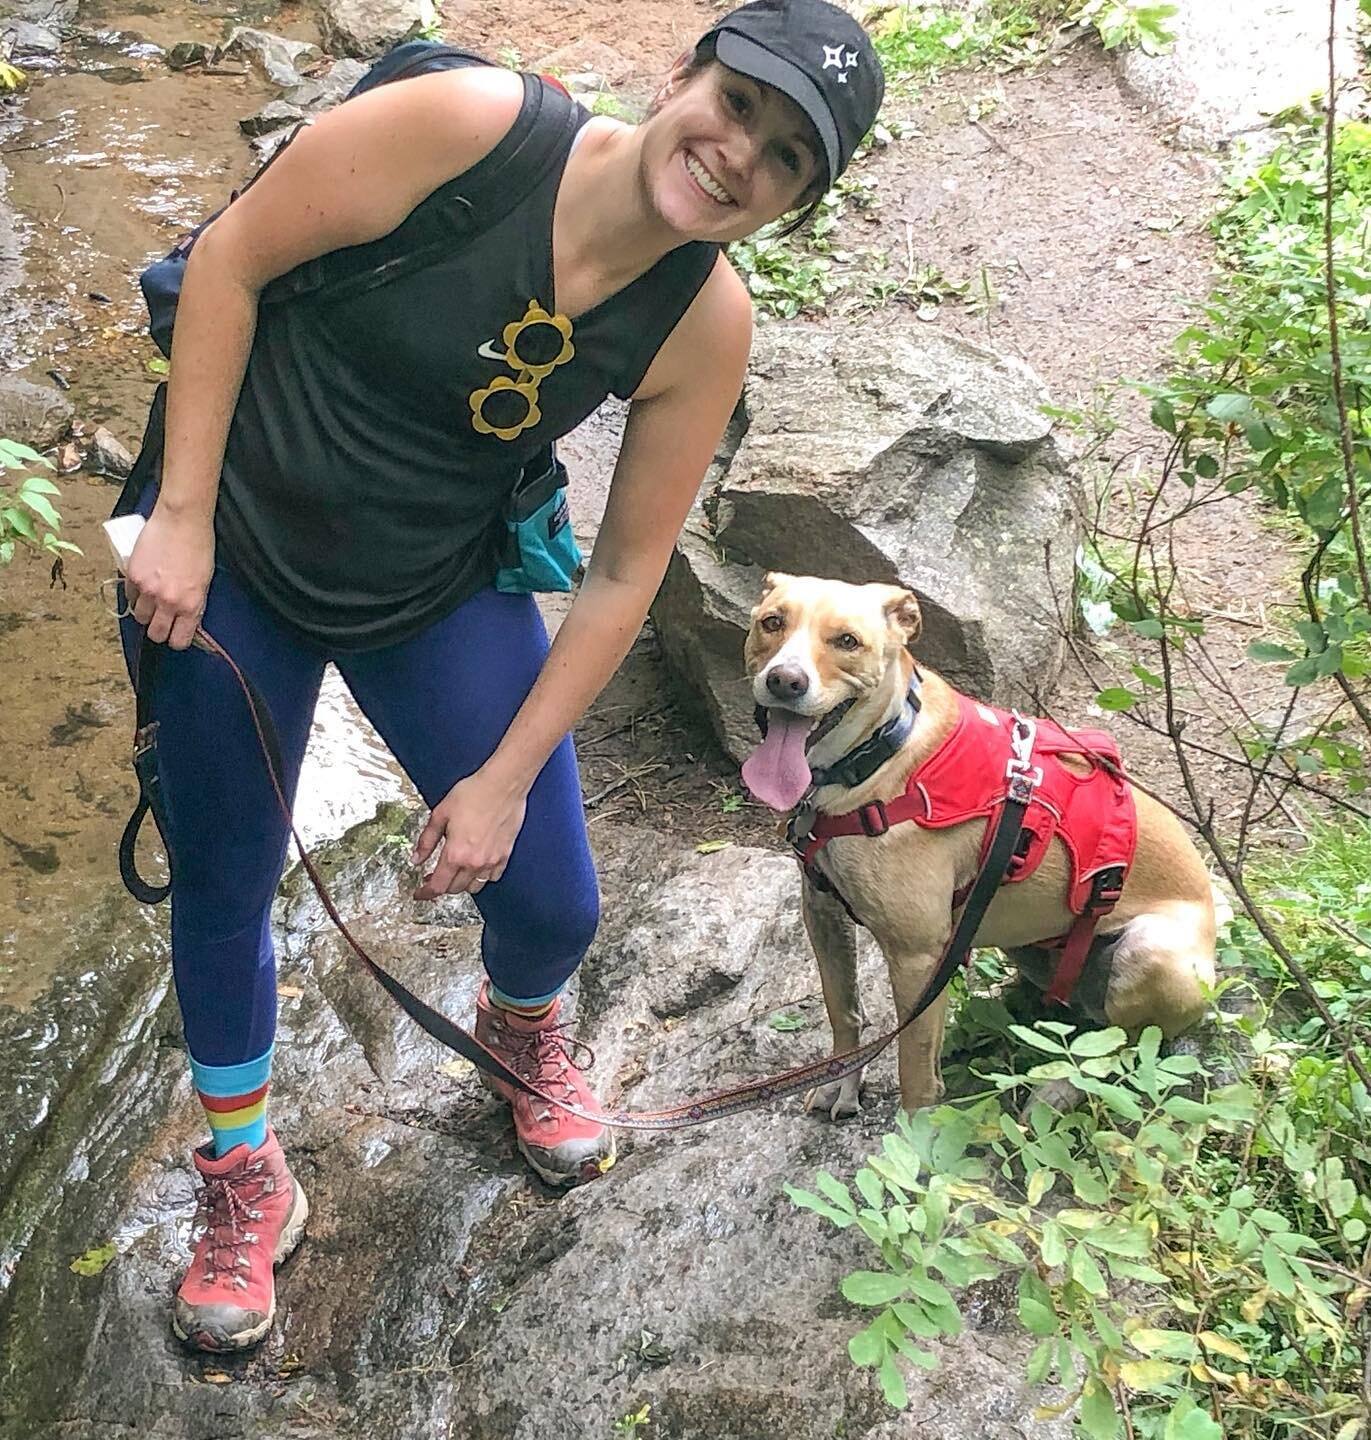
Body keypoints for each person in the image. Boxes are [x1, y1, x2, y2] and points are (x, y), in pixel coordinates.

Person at [119, 0, 882, 1354]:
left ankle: (520, 1027)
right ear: (682, 74)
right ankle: (243, 1173)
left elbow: (624, 572)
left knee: (550, 895)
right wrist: (178, 515)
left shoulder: (701, 323)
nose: (733, 153)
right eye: (738, 102)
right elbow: (231, 264)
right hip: (233, 546)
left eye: (780, 158)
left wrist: (503, 780)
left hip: (435, 586)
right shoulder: (470, 131)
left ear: (792, 207)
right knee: (227, 882)